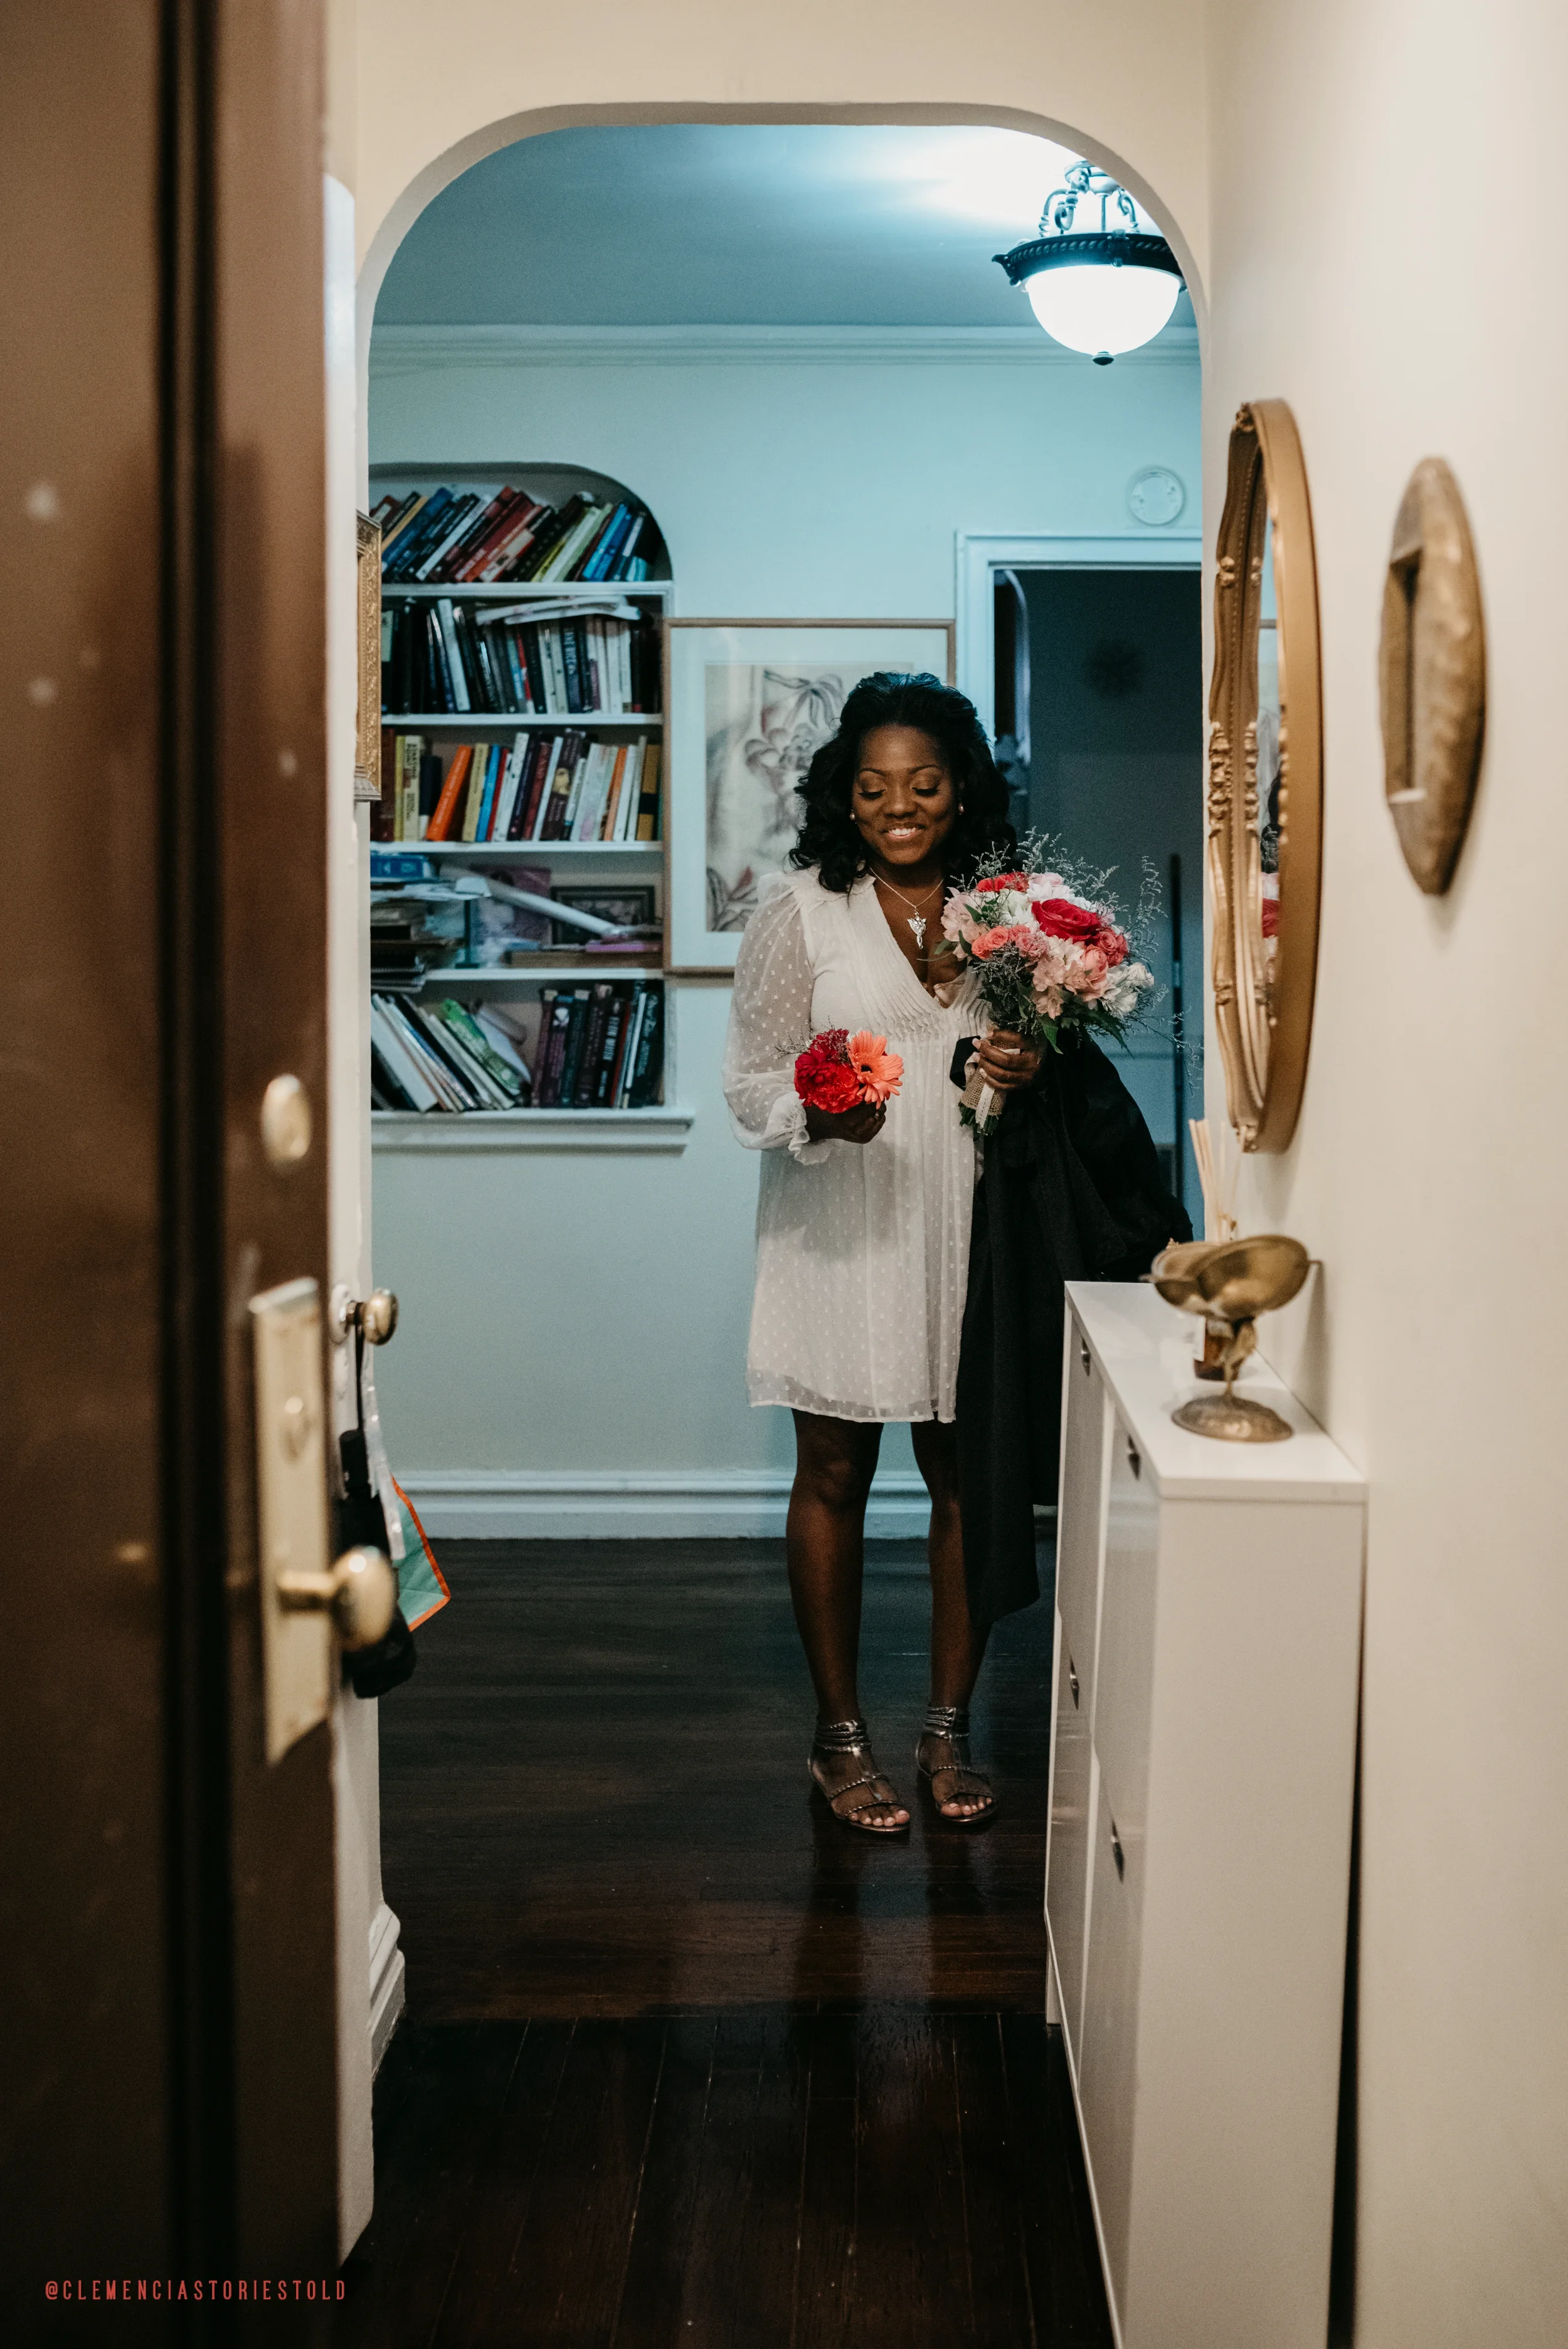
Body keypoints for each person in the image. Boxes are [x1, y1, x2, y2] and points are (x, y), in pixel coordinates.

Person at [723, 674, 1038, 1835]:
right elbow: (750, 1085)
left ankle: (949, 1731)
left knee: (966, 1484)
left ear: (959, 792)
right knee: (836, 1479)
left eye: (924, 783)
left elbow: (1037, 1052)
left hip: (969, 1226)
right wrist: (818, 1117)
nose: (899, 805)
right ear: (843, 800)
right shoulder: (798, 913)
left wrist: (1029, 1068)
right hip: (841, 1226)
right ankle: (837, 1736)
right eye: (874, 787)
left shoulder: (1010, 918)